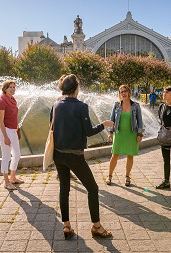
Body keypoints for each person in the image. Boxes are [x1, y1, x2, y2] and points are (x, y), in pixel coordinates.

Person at [51, 74, 114, 240]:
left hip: (58, 154)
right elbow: (89, 131)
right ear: (76, 89)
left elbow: (52, 127)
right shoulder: (81, 106)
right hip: (75, 156)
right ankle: (96, 227)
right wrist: (104, 124)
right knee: (93, 189)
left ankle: (66, 226)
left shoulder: (55, 105)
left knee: (64, 188)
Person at [106, 84, 144, 187]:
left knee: (130, 155)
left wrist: (140, 134)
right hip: (119, 133)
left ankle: (127, 176)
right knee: (115, 155)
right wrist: (110, 132)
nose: (124, 93)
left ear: (129, 92)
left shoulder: (135, 105)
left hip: (131, 134)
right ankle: (109, 176)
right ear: (119, 94)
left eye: (125, 91)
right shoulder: (117, 105)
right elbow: (112, 119)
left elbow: (140, 121)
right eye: (121, 92)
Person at [0, 80, 24, 191]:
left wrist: (16, 128)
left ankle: (13, 177)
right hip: (4, 131)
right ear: (5, 89)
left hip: (12, 130)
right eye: (10, 87)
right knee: (6, 156)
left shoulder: (13, 100)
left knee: (17, 154)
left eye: (14, 87)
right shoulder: (1, 102)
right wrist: (5, 137)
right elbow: (1, 121)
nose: (12, 89)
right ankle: (6, 182)